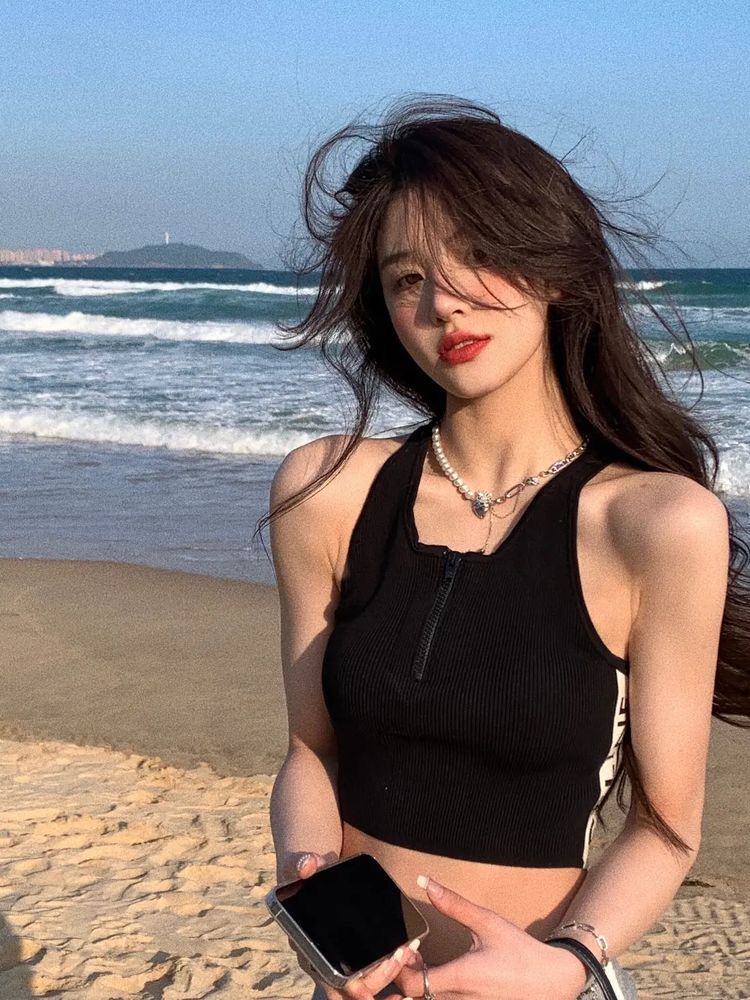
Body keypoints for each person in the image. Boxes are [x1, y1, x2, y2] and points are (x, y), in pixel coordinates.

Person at [259, 94, 749, 1000]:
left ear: (554, 269)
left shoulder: (657, 525)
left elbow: (666, 829)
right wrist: (312, 894)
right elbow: (310, 752)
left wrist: (569, 962)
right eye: (407, 278)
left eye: (480, 254)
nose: (444, 302)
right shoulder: (326, 492)